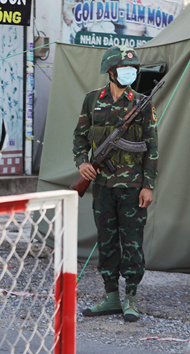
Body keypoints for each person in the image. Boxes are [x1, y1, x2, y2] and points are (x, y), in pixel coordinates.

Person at [72, 45, 158, 322]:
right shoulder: (92, 100)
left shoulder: (142, 103)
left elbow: (152, 147)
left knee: (132, 243)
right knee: (107, 241)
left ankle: (130, 297)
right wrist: (83, 163)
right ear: (110, 71)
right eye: (123, 69)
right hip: (102, 185)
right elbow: (80, 137)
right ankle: (111, 297)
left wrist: (148, 185)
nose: (129, 73)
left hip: (133, 187)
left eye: (133, 69)